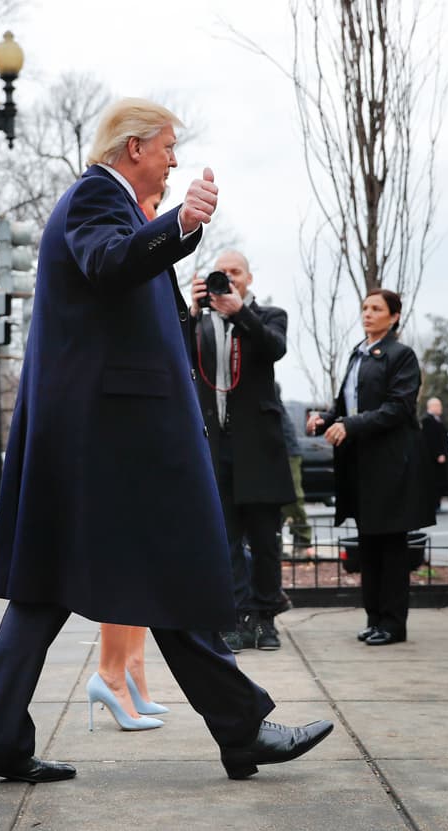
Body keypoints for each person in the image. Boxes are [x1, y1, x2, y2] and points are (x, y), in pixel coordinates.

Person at [0, 98, 333, 788]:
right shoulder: (95, 198)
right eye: (166, 147)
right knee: (167, 576)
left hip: (95, 442)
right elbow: (110, 263)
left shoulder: (110, 204)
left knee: (49, 590)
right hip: (110, 445)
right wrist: (183, 223)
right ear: (133, 148)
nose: (171, 160)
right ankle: (243, 730)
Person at [85, 187, 172, 732]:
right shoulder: (105, 220)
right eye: (150, 200)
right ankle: (113, 675)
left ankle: (130, 670)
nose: (154, 207)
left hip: (145, 418)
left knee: (137, 556)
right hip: (119, 422)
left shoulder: (143, 244)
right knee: (123, 557)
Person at [307, 289, 435, 647]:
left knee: (391, 548)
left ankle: (393, 624)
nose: (368, 314)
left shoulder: (401, 355)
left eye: (376, 309)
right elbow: (346, 404)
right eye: (365, 307)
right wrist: (326, 419)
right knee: (369, 546)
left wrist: (350, 425)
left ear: (394, 316)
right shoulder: (358, 353)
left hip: (391, 465)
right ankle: (374, 618)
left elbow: (398, 408)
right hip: (360, 466)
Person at [187, 250, 295, 653]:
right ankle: (235, 616)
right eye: (221, 273)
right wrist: (193, 310)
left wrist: (239, 314)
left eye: (235, 273)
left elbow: (274, 349)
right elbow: (175, 354)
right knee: (226, 538)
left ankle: (265, 619)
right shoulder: (199, 322)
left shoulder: (268, 315)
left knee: (266, 539)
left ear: (248, 278)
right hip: (214, 444)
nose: (227, 279)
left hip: (259, 446)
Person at [277, 388, 315, 555]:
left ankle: (302, 541)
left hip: (287, 451)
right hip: (273, 451)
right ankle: (275, 542)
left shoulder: (269, 386)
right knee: (273, 502)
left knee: (293, 498)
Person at [419, 398, 448, 512]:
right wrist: (438, 454)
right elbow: (430, 440)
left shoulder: (437, 420)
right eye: (438, 405)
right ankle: (434, 504)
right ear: (431, 406)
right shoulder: (427, 420)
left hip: (440, 456)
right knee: (434, 482)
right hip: (433, 459)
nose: (440, 408)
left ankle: (437, 503)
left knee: (439, 481)